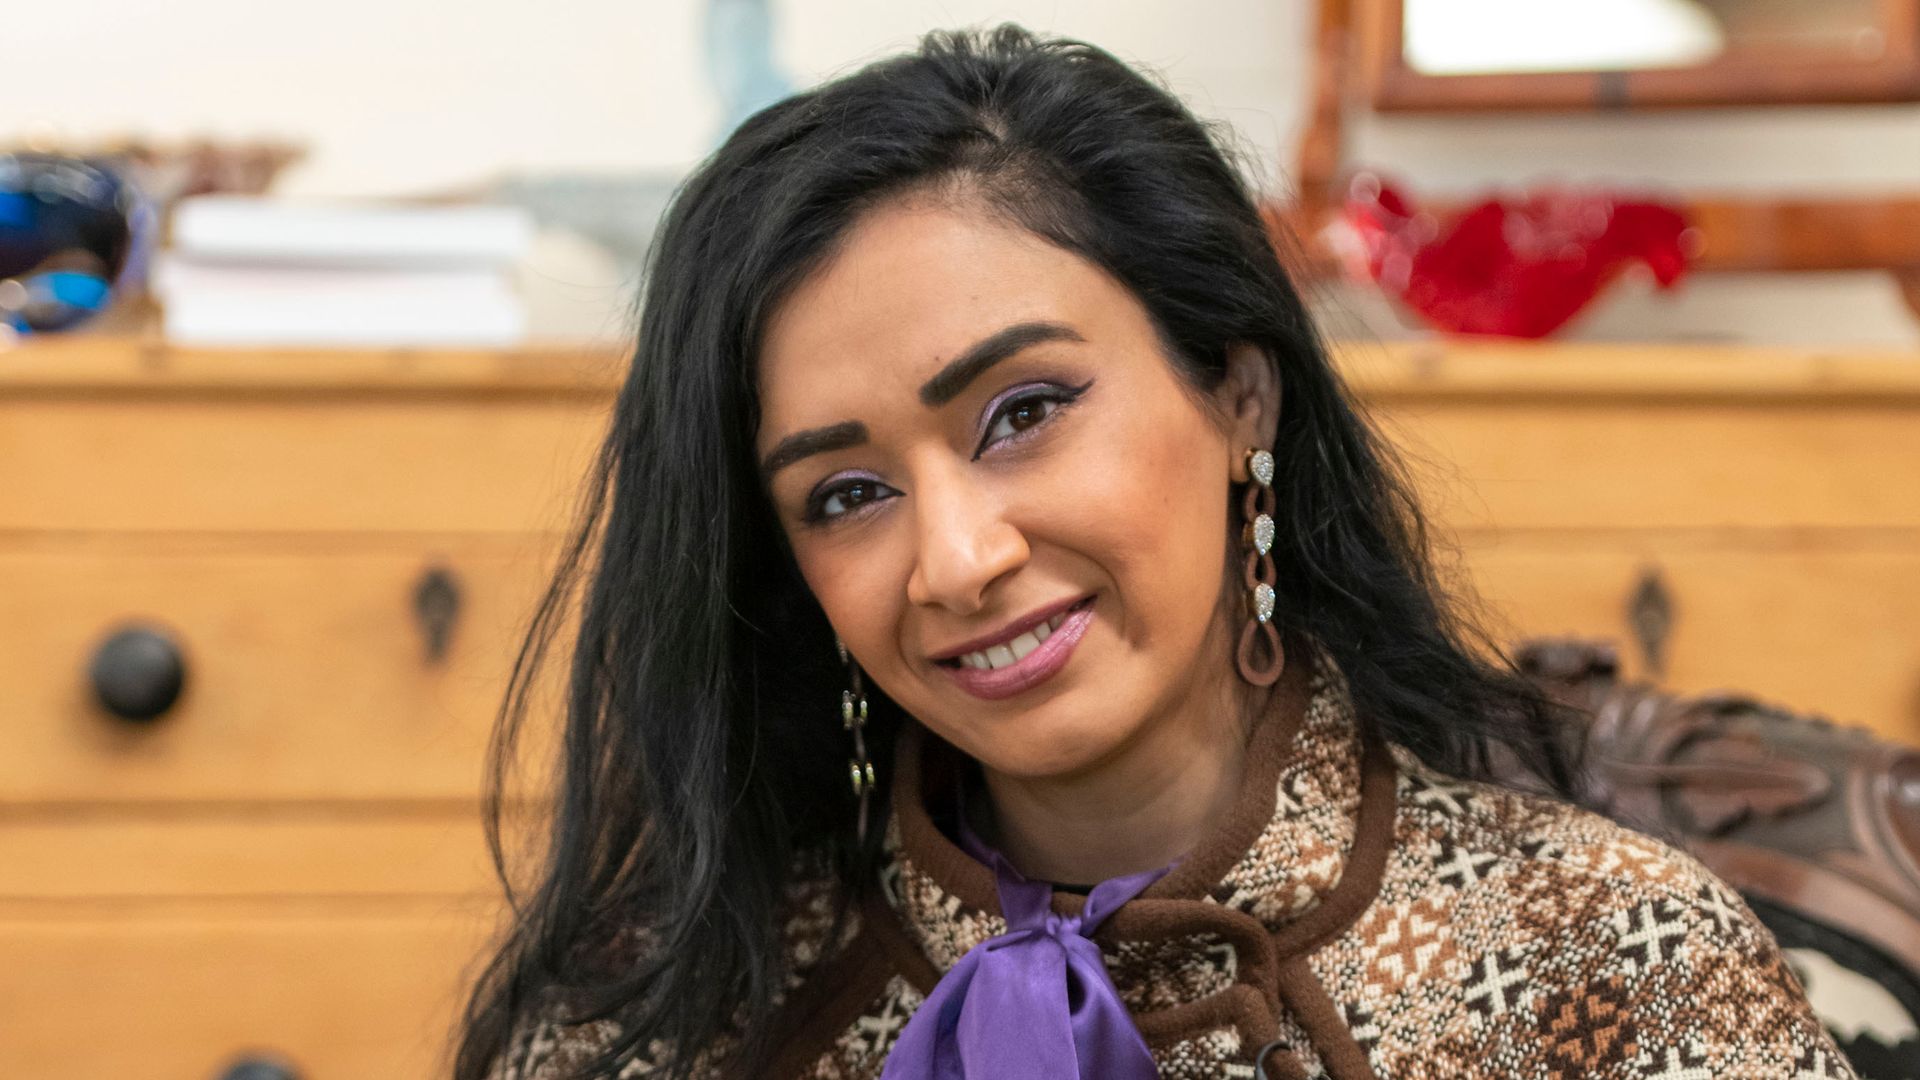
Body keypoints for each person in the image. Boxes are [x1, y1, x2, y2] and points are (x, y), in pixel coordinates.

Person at [453, 24, 1856, 1080]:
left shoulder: (1614, 967)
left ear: (1238, 395)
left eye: (1024, 413)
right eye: (847, 494)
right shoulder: (653, 1014)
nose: (956, 559)